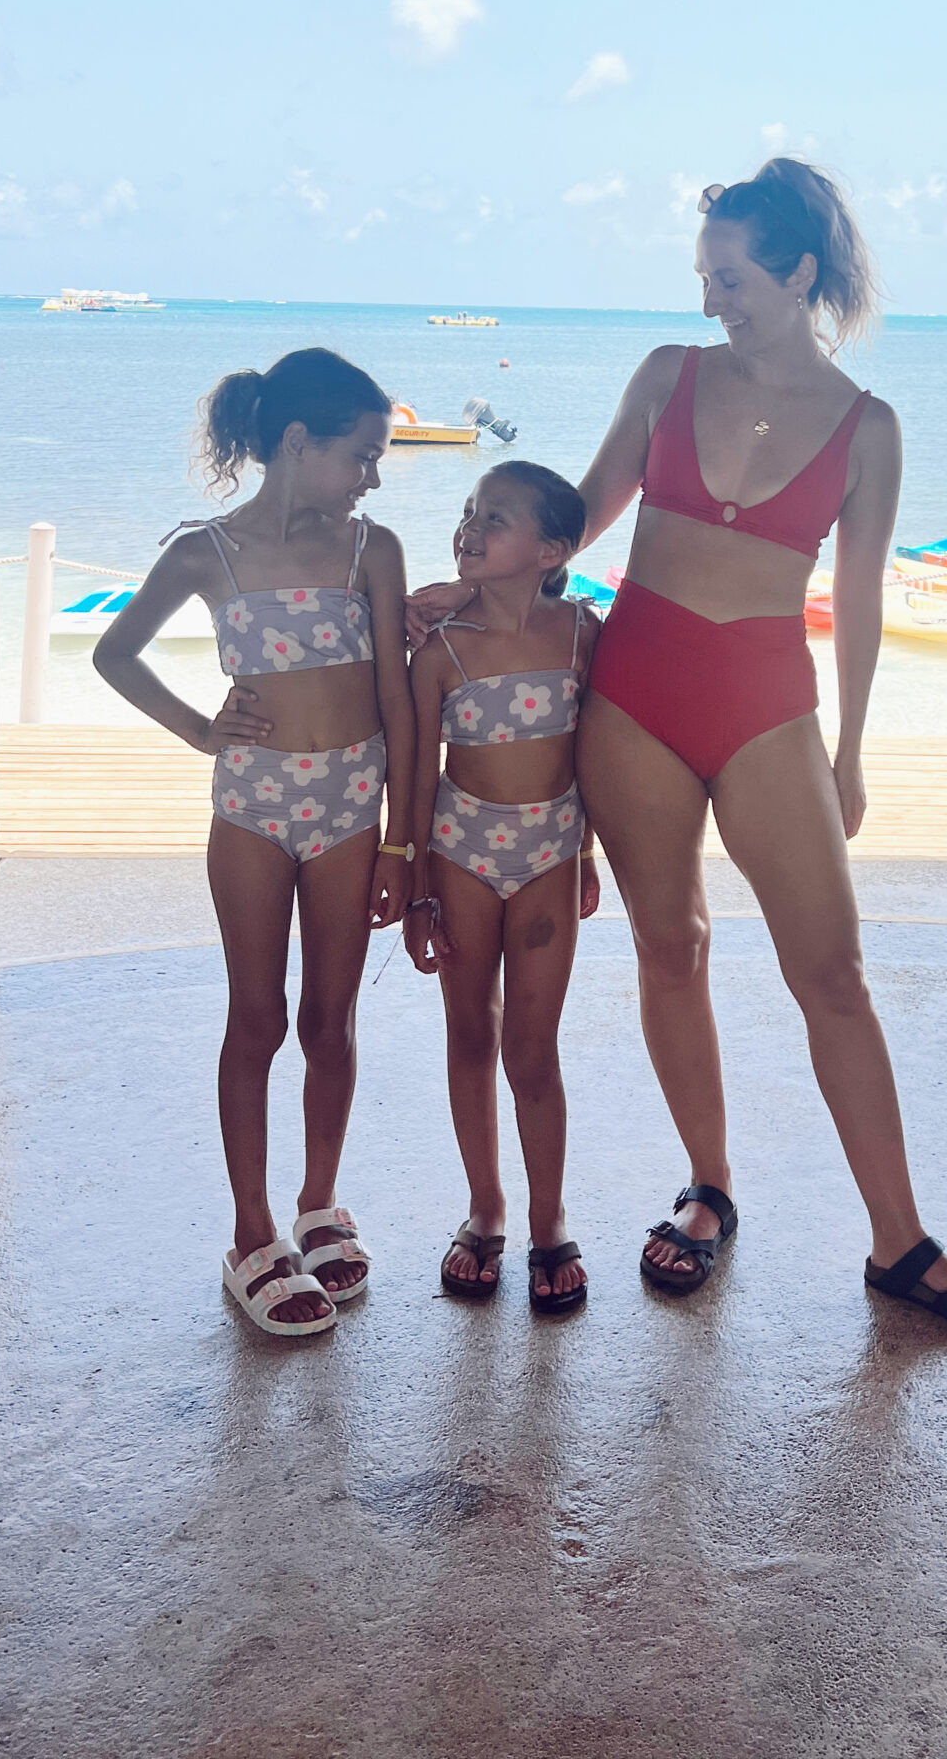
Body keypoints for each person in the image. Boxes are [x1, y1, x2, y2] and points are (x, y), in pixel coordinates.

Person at [412, 160, 947, 1340]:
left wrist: (849, 751)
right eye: (703, 277)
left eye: (732, 277)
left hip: (766, 705)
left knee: (831, 973)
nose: (712, 301)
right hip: (634, 692)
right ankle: (710, 1186)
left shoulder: (867, 429)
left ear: (800, 270)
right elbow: (576, 518)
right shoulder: (665, 377)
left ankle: (901, 1240)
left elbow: (858, 595)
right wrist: (471, 579)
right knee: (669, 943)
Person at [95, 347, 415, 1338]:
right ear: (295, 442)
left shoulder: (374, 550)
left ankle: (319, 1204)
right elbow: (116, 651)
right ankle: (251, 1232)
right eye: (362, 452)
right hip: (252, 810)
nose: (373, 472)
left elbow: (400, 702)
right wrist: (199, 728)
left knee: (331, 1015)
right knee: (257, 1018)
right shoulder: (206, 554)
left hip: (352, 807)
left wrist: (403, 840)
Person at [404, 464, 601, 1315]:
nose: (471, 528)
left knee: (533, 1049)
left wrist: (587, 849)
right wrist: (410, 873)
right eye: (469, 513)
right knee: (468, 1033)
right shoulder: (441, 649)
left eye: (497, 519)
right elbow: (414, 771)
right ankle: (486, 1208)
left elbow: (598, 754)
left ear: (552, 548)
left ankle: (548, 1220)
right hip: (460, 853)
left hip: (549, 854)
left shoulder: (580, 634)